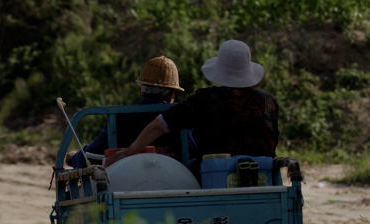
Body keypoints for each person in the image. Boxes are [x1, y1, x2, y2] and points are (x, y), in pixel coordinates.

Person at [104, 40, 279, 170]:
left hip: (214, 174)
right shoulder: (268, 102)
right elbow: (272, 141)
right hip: (263, 173)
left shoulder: (205, 99)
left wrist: (129, 152)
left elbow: (159, 125)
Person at [66, 56, 197, 168]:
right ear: (171, 96)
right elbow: (194, 154)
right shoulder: (182, 120)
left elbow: (94, 155)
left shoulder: (120, 119)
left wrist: (75, 158)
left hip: (125, 189)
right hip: (176, 188)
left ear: (141, 91)